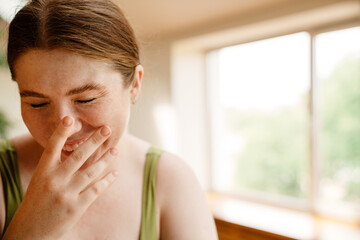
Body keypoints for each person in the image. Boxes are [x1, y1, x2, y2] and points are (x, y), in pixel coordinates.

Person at [0, 0, 218, 239]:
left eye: (86, 100)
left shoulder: (171, 180)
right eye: (37, 103)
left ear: (135, 84)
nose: (64, 128)